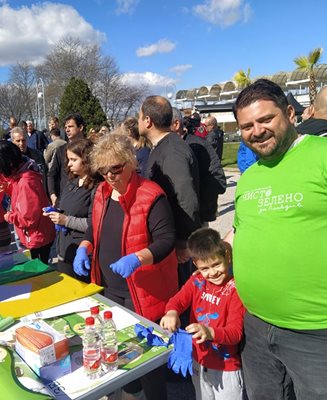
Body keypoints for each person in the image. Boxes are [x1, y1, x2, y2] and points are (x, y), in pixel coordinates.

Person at [231, 79, 327, 399]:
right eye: (246, 126)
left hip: (323, 335)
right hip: (256, 327)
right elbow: (239, 232)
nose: (256, 131)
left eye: (265, 120)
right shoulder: (250, 177)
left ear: (291, 113)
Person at [73, 134, 178, 400]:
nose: (110, 175)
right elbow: (94, 229)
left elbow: (166, 240)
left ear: (130, 162)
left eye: (116, 168)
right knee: (117, 350)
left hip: (142, 291)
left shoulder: (151, 194)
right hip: (110, 288)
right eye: (103, 170)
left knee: (148, 361)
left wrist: (137, 258)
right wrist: (84, 247)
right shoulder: (101, 193)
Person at [161, 228, 245, 400]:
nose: (212, 273)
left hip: (226, 367)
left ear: (227, 257)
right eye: (205, 268)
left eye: (216, 264)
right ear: (195, 265)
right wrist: (171, 313)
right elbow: (177, 301)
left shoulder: (235, 290)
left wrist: (210, 333)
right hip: (199, 361)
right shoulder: (197, 281)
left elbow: (235, 333)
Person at [139, 95, 200, 288]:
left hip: (176, 243)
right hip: (167, 237)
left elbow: (185, 196)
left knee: (178, 293)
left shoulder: (172, 150)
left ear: (148, 121)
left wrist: (183, 241)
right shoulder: (161, 146)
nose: (139, 121)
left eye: (140, 117)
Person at [0, 141, 55, 264]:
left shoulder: (26, 182)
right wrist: (8, 188)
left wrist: (9, 216)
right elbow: (23, 201)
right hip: (37, 235)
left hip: (36, 239)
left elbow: (29, 218)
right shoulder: (21, 176)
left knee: (38, 275)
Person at [43, 139, 98, 280]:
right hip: (64, 251)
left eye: (74, 159)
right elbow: (64, 206)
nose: (69, 164)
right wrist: (54, 211)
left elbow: (95, 224)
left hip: (82, 254)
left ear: (86, 159)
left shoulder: (97, 188)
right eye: (68, 159)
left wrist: (66, 220)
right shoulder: (71, 182)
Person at [172, 108, 226, 225]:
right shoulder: (164, 149)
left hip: (195, 219)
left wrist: (201, 211)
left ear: (176, 124)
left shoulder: (198, 145)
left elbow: (218, 179)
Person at [48, 113, 86, 206]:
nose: (67, 130)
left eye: (70, 126)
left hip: (85, 199)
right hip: (64, 200)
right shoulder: (61, 150)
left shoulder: (90, 149)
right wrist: (53, 195)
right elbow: (51, 174)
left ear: (80, 127)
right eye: (65, 127)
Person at [10, 127, 48, 195]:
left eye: (23, 140)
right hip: (19, 194)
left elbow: (44, 174)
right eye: (18, 141)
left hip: (37, 192)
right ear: (12, 141)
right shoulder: (10, 158)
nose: (21, 143)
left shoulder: (37, 154)